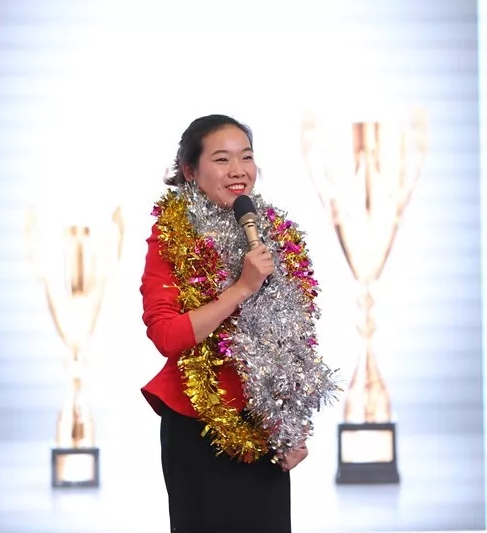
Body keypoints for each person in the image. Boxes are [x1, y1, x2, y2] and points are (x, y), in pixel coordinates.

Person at [139, 114, 339, 533]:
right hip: (200, 426)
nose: (238, 170)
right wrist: (242, 288)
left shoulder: (273, 235)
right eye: (222, 159)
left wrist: (290, 424)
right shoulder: (172, 237)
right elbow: (167, 336)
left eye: (246, 157)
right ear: (190, 171)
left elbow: (289, 341)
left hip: (263, 428)